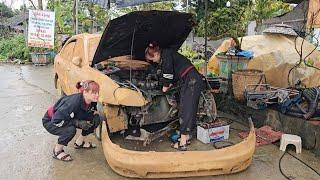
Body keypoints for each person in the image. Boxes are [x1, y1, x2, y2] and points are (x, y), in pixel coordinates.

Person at [145, 42, 204, 151]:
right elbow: (171, 75)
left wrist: (164, 88)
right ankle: (186, 138)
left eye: (152, 59)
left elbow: (167, 77)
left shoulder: (166, 55)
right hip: (189, 80)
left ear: (156, 54)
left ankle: (182, 143)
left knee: (186, 110)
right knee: (187, 109)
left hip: (191, 80)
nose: (153, 61)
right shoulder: (167, 54)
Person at [42, 80, 101, 161]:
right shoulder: (72, 103)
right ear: (85, 92)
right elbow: (56, 120)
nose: (97, 95)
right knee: (70, 130)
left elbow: (91, 113)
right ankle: (57, 151)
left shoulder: (92, 101)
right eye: (94, 93)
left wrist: (85, 121)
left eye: (98, 92)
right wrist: (77, 123)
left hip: (68, 117)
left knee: (96, 118)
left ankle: (80, 143)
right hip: (51, 120)